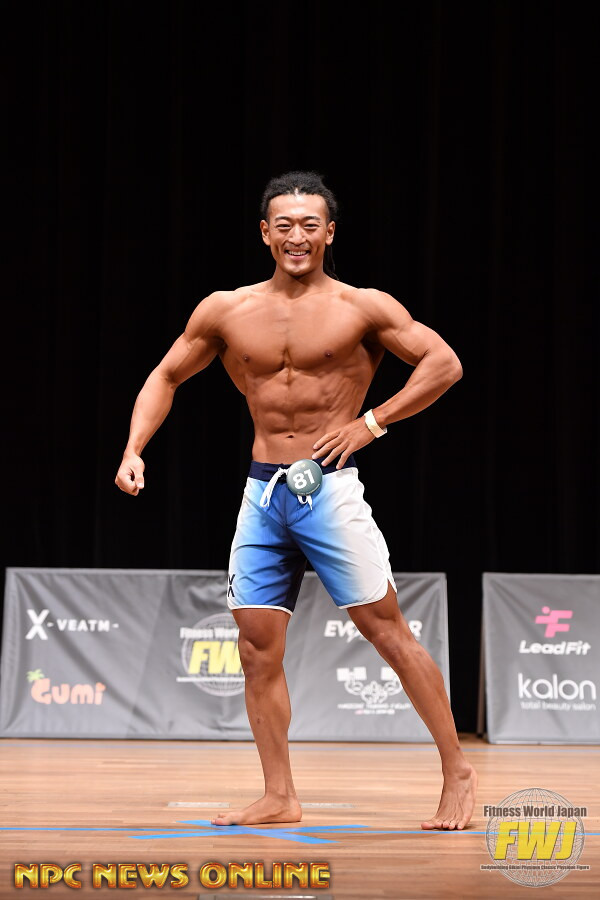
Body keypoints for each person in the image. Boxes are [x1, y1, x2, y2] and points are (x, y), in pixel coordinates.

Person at [115, 171, 477, 831]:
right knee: (256, 646)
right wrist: (135, 448)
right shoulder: (225, 310)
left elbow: (443, 363)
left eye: (310, 224)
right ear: (265, 233)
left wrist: (371, 423)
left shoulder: (362, 307)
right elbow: (166, 374)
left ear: (329, 232)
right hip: (262, 493)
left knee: (387, 631)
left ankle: (457, 770)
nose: (297, 236)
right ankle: (278, 795)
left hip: (330, 489)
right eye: (284, 225)